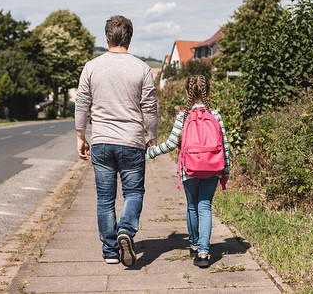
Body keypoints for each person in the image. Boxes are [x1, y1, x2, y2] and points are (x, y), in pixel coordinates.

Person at [74, 15, 158, 267]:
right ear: (129, 38)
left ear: (107, 37)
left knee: (104, 198)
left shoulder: (91, 67)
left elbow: (81, 103)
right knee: (133, 192)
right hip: (132, 141)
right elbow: (150, 108)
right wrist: (152, 137)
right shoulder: (142, 68)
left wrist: (80, 136)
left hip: (101, 141)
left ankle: (110, 251)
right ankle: (126, 230)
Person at [147, 75, 229, 268]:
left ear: (187, 93)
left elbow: (171, 143)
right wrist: (226, 170)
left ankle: (193, 244)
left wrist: (152, 152)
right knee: (205, 207)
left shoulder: (183, 116)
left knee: (192, 207)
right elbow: (224, 144)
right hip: (212, 168)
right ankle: (203, 252)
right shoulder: (215, 115)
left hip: (189, 168)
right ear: (208, 92)